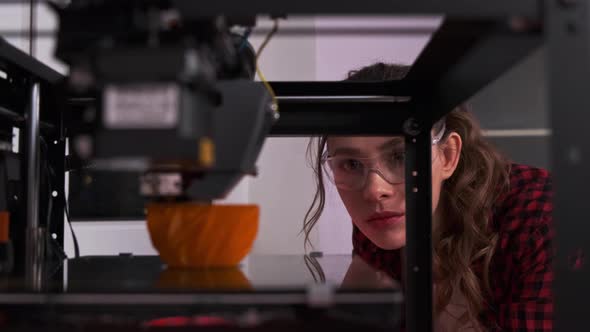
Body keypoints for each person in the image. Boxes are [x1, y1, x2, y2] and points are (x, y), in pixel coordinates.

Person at [303, 63, 554, 331]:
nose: (374, 190)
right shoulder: (386, 218)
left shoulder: (542, 217)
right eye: (351, 164)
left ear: (447, 155)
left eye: (400, 156)